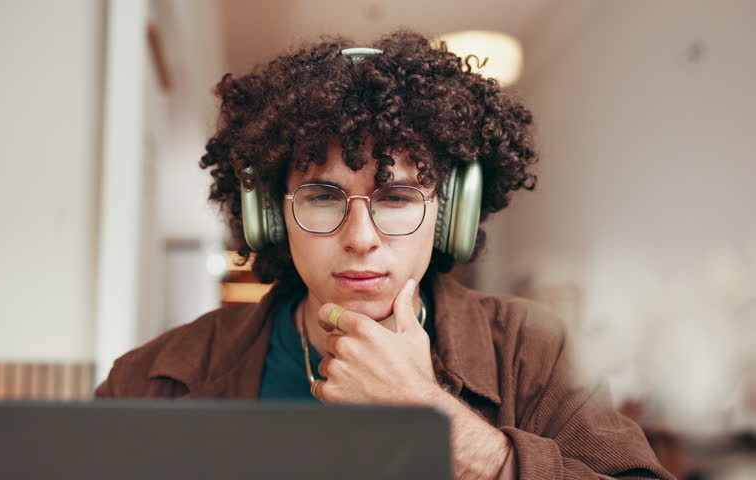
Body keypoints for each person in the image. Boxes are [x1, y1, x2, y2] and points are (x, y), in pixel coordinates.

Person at [96, 31, 674, 480]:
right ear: (270, 216)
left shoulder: (534, 351)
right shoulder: (152, 380)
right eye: (322, 198)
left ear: (450, 214)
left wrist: (445, 429)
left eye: (396, 198)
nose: (361, 236)